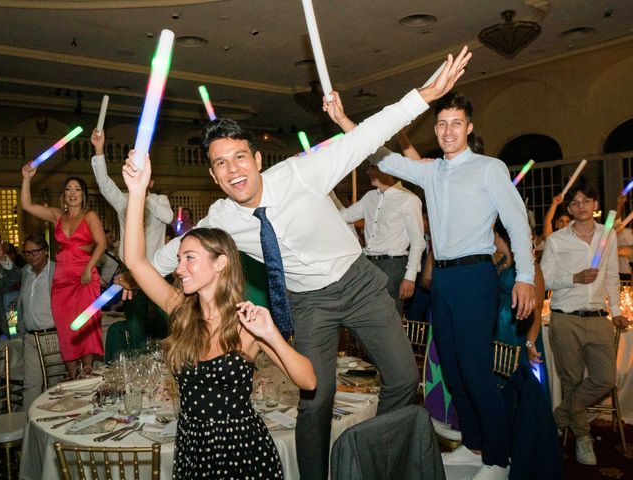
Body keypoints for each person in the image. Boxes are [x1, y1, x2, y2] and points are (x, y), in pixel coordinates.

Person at [134, 47, 471, 480]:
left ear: (257, 159)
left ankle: (374, 459)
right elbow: (177, 250)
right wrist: (137, 271)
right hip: (309, 302)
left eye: (240, 157)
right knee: (315, 399)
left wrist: (424, 96)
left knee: (405, 379)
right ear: (214, 177)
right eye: (221, 164)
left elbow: (365, 137)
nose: (233, 169)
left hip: (360, 283)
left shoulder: (301, 172)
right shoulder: (219, 218)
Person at [328, 90, 535, 480]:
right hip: (442, 278)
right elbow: (381, 155)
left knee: (475, 369)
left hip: (476, 275)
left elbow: (517, 223)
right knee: (452, 368)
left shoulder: (490, 168)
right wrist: (343, 122)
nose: (448, 130)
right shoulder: (432, 171)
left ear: (469, 128)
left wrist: (524, 277)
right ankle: (475, 444)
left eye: (456, 123)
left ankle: (499, 458)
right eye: (441, 124)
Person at [121, 155, 316, 479]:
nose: (179, 268)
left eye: (190, 258)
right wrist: (137, 191)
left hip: (245, 454)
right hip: (193, 453)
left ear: (220, 263)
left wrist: (270, 334)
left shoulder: (247, 322)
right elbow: (136, 261)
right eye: (179, 258)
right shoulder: (180, 309)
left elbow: (308, 381)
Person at [541, 184, 630, 466]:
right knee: (572, 381)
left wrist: (615, 310)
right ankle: (583, 438)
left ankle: (559, 416)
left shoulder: (607, 237)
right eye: (575, 203)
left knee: (606, 379)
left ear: (594, 204)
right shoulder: (556, 240)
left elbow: (613, 276)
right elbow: (544, 279)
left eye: (586, 201)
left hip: (597, 316)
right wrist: (574, 278)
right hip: (565, 317)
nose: (581, 206)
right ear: (568, 208)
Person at [91, 129, 174, 350]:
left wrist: (144, 194)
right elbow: (104, 183)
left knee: (170, 329)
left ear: (151, 180)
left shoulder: (159, 200)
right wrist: (99, 149)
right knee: (137, 335)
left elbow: (169, 217)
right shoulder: (123, 201)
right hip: (132, 278)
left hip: (159, 274)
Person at [21, 167, 106, 379]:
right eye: (68, 189)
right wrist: (26, 179)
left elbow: (102, 244)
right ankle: (72, 375)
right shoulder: (57, 215)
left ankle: (86, 371)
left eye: (77, 189)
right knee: (66, 328)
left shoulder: (90, 216)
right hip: (62, 281)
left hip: (85, 278)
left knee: (86, 325)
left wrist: (89, 267)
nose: (72, 192)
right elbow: (26, 205)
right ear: (64, 195)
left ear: (83, 195)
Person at [339, 165, 425, 314]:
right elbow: (342, 217)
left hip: (393, 266)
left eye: (373, 167)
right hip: (368, 265)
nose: (368, 171)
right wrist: (328, 194)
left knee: (388, 317)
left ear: (388, 169)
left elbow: (418, 241)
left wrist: (410, 277)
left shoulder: (409, 199)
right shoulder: (369, 197)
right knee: (364, 315)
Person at [493, 219, 550, 403]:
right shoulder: (499, 262)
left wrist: (530, 343)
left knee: (522, 383)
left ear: (502, 237)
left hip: (519, 331)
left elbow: (538, 306)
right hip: (498, 332)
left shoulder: (528, 267)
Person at [17, 234, 60, 409]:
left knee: (55, 386)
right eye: (27, 253)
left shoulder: (56, 271)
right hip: (30, 337)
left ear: (46, 251)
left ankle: (51, 429)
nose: (31, 256)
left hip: (51, 335)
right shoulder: (24, 272)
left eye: (35, 251)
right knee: (31, 385)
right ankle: (30, 427)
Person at [0, 239, 21, 339]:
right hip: (8, 301)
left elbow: (16, 277)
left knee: (13, 328)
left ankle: (13, 335)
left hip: (1, 320)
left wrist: (2, 258)